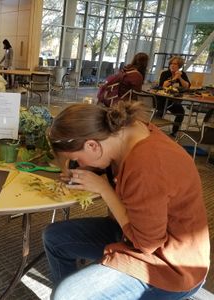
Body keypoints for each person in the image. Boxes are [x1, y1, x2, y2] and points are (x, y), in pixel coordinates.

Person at [43, 102, 210, 299]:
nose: (79, 165)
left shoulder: (147, 165)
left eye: (77, 159)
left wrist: (104, 189)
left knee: (67, 295)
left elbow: (146, 244)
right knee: (54, 237)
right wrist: (89, 170)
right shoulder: (128, 132)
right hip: (136, 234)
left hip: (171, 265)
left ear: (92, 145)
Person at [158, 56, 191, 136]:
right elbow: (163, 85)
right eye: (171, 64)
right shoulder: (165, 73)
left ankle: (174, 132)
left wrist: (179, 77)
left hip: (174, 101)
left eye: (175, 64)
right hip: (163, 99)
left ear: (179, 66)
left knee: (181, 112)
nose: (172, 65)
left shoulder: (182, 74)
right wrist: (174, 78)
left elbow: (187, 86)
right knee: (160, 111)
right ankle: (153, 128)